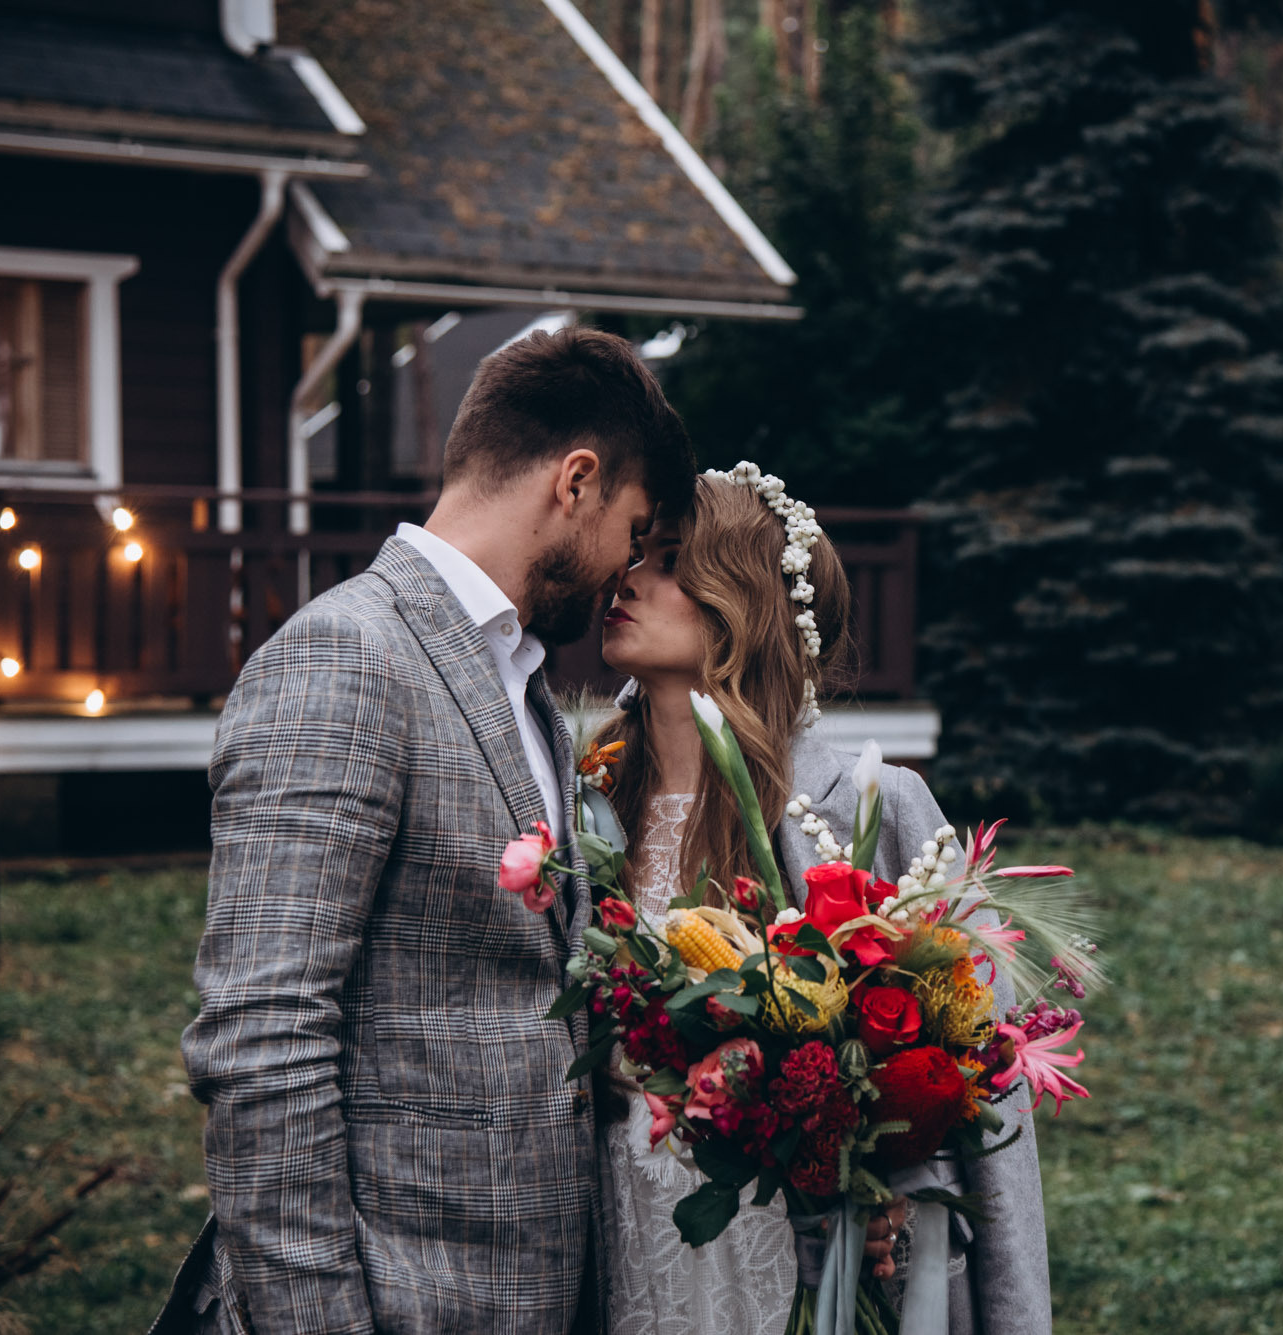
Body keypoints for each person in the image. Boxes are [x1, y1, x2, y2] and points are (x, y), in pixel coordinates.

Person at [157, 327, 692, 1335]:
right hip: (395, 1300)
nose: (626, 566)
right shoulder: (343, 658)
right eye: (634, 527)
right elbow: (263, 1038)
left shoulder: (522, 685)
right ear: (574, 481)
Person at [590, 466, 1053, 1335]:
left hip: (813, 1265)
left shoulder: (870, 808)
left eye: (672, 561)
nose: (628, 577)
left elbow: (985, 1089)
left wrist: (891, 1206)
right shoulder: (587, 803)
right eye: (633, 551)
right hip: (630, 1241)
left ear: (746, 603)